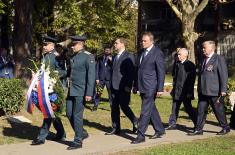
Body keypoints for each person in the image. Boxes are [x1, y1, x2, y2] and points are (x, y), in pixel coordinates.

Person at [188, 40, 230, 136]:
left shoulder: (218, 59)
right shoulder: (203, 59)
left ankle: (225, 127)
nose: (203, 50)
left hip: (214, 91)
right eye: (202, 48)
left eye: (204, 48)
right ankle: (198, 129)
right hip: (203, 91)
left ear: (212, 48)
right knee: (200, 111)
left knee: (218, 111)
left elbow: (223, 75)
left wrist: (223, 90)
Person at [31, 35, 66, 145]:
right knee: (52, 112)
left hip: (53, 89)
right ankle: (61, 133)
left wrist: (53, 76)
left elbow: (64, 71)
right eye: (44, 44)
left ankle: (41, 137)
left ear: (52, 45)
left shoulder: (56, 56)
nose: (44, 46)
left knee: (48, 112)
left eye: (46, 45)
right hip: (45, 89)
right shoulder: (46, 56)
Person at [132, 32, 165, 144]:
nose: (142, 42)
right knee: (151, 108)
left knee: (145, 110)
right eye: (142, 40)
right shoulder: (141, 52)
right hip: (141, 85)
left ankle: (140, 135)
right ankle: (160, 129)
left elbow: (161, 72)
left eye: (145, 41)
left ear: (151, 41)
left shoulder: (157, 53)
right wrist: (135, 85)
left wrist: (160, 88)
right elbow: (138, 70)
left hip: (151, 86)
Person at [66, 35, 96, 150]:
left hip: (81, 91)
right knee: (69, 114)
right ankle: (82, 132)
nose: (72, 47)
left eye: (74, 45)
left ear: (80, 44)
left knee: (77, 115)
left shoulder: (88, 57)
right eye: (72, 45)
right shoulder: (74, 56)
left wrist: (89, 93)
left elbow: (91, 76)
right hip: (72, 90)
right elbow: (70, 72)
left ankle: (78, 141)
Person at [105, 38, 138, 135]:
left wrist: (129, 85)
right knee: (114, 107)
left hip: (123, 86)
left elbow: (131, 72)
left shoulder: (128, 56)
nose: (114, 45)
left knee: (124, 106)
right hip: (113, 86)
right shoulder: (115, 56)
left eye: (116, 43)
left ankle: (135, 121)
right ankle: (116, 128)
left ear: (122, 44)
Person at [166, 48, 197, 130]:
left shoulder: (190, 65)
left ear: (185, 55)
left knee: (188, 108)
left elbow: (191, 80)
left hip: (185, 91)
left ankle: (197, 124)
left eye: (179, 54)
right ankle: (172, 124)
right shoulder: (177, 64)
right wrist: (173, 89)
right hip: (177, 90)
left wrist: (189, 92)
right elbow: (175, 78)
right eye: (178, 54)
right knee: (174, 107)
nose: (178, 56)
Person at [93, 46, 113, 111]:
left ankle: (112, 106)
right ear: (104, 50)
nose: (107, 51)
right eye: (106, 50)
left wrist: (112, 61)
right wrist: (96, 78)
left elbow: (115, 68)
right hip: (101, 79)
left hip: (109, 79)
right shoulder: (100, 58)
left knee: (110, 94)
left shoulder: (113, 58)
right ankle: (95, 105)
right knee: (98, 92)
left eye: (108, 50)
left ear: (110, 51)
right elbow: (97, 68)